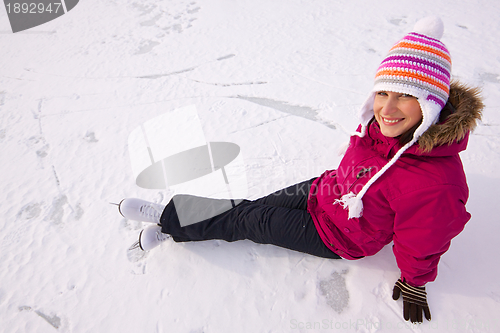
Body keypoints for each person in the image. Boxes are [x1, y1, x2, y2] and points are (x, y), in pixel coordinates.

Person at [116, 16, 483, 323]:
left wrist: (416, 280)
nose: (387, 108)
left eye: (405, 95)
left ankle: (169, 220)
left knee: (248, 219)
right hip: (324, 191)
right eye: (383, 93)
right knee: (249, 208)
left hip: (339, 234)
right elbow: (362, 164)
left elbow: (425, 237)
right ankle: (178, 219)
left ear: (431, 106)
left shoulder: (436, 183)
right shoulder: (381, 128)